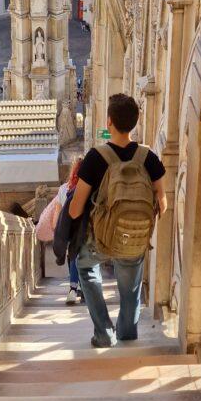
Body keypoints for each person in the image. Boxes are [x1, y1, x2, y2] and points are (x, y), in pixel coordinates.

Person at [69, 93, 167, 347]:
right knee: (130, 288)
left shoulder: (95, 157)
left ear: (109, 121)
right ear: (135, 122)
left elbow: (75, 209)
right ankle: (127, 332)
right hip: (133, 237)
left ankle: (104, 332)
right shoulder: (149, 158)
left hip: (98, 239)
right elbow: (163, 205)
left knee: (86, 268)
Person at [56, 157, 84, 304]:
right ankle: (84, 290)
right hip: (86, 229)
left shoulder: (63, 189)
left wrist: (58, 234)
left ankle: (73, 288)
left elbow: (58, 215)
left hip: (70, 230)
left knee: (74, 257)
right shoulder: (91, 186)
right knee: (87, 258)